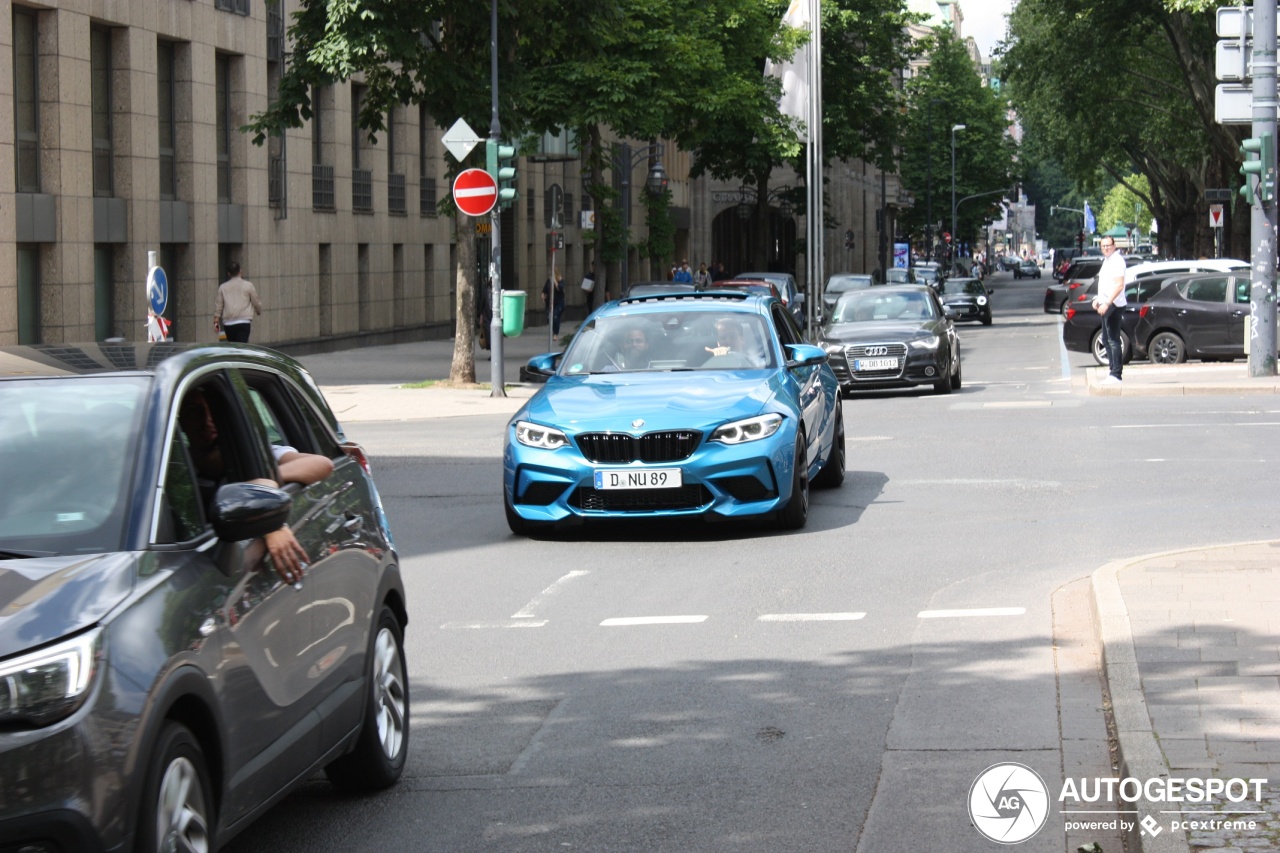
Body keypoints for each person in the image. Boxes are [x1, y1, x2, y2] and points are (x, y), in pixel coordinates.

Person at [178, 387, 334, 584]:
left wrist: (263, 484)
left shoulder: (252, 452)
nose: (207, 420)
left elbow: (322, 464)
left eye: (213, 411)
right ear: (180, 420)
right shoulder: (172, 465)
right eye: (194, 412)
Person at [1092, 236, 1127, 384]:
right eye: (1103, 246)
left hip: (1114, 304)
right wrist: (1097, 299)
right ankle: (1112, 372)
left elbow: (1119, 285)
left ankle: (1116, 374)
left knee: (1113, 340)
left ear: (1114, 246)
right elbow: (1105, 285)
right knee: (1106, 340)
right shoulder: (1107, 261)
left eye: (1108, 245)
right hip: (1106, 303)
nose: (1106, 248)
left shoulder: (1117, 261)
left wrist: (1107, 303)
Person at [214, 261, 262, 343]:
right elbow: (256, 301)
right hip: (244, 321)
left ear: (228, 273)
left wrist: (216, 325)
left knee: (233, 347)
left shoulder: (223, 287)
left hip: (228, 323)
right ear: (240, 272)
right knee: (242, 347)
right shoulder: (248, 285)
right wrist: (258, 311)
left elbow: (218, 306)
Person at [542, 271, 566, 336]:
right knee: (549, 318)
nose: (551, 276)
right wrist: (543, 295)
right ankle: (553, 330)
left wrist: (555, 281)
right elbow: (544, 290)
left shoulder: (561, 281)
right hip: (550, 302)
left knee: (555, 317)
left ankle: (556, 333)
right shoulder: (548, 281)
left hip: (559, 303)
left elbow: (559, 289)